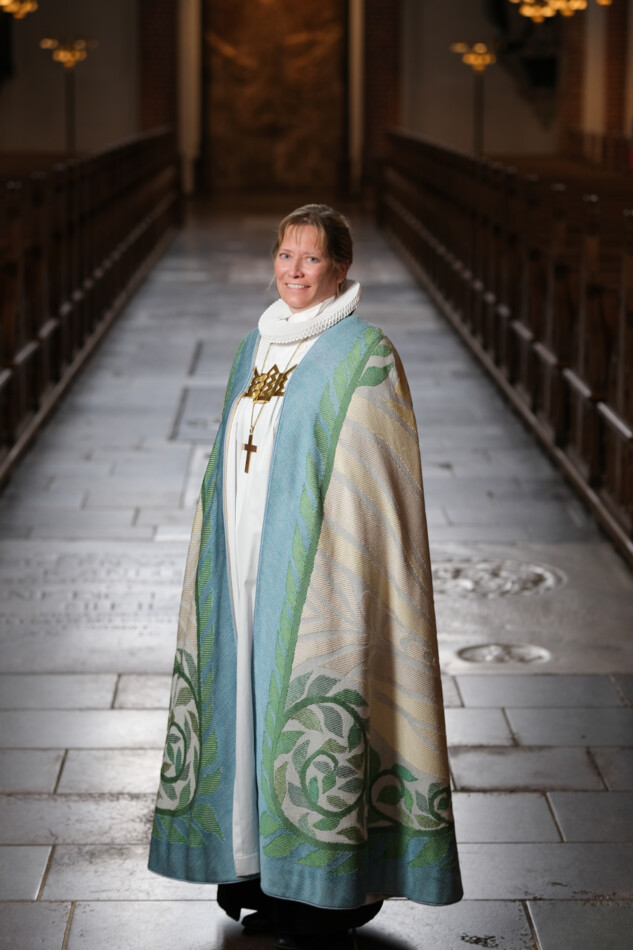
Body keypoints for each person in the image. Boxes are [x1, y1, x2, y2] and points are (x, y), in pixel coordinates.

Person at [148, 205, 462, 949]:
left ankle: (324, 894)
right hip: (242, 561)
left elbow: (378, 487)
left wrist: (344, 565)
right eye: (285, 255)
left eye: (311, 258)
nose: (294, 270)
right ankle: (256, 871)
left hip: (320, 576)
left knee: (306, 713)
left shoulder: (365, 353)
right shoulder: (253, 344)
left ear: (340, 268)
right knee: (245, 707)